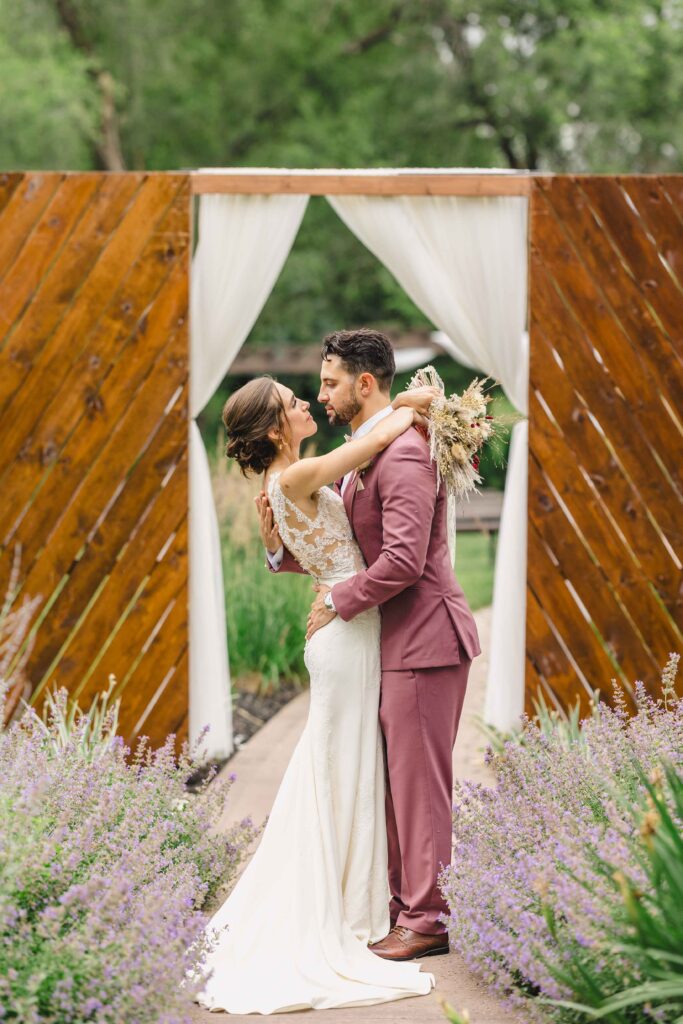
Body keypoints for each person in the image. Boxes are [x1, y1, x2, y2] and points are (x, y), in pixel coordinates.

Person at [193, 370, 438, 1014]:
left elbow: (327, 543)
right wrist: (409, 405)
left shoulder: (287, 486)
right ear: (277, 429)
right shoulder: (296, 476)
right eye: (293, 402)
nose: (307, 403)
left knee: (344, 765)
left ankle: (351, 899)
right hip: (346, 638)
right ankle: (342, 908)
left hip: (347, 632)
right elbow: (362, 447)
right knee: (341, 767)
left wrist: (294, 562)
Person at [259, 328, 481, 963]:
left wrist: (337, 600)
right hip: (393, 643)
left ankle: (428, 919)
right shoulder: (363, 449)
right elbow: (350, 552)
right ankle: (400, 902)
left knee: (418, 787)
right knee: (393, 783)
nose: (320, 395)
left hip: (425, 641)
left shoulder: (403, 453)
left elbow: (405, 560)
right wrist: (283, 553)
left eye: (329, 383)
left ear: (363, 383)